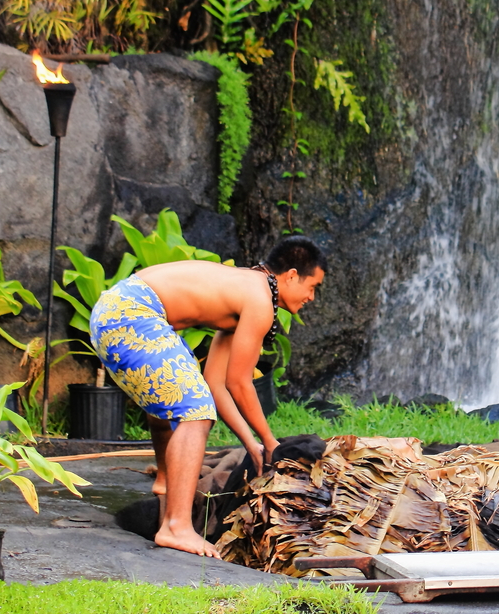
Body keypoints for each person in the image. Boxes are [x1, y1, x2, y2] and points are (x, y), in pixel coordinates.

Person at [89, 236, 327, 557]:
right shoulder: (259, 300)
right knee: (195, 412)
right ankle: (177, 526)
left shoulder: (246, 290)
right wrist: (271, 443)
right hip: (131, 312)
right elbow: (241, 383)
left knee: (183, 394)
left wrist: (252, 444)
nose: (313, 297)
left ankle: (165, 480)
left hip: (115, 311)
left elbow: (217, 385)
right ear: (291, 275)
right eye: (312, 287)